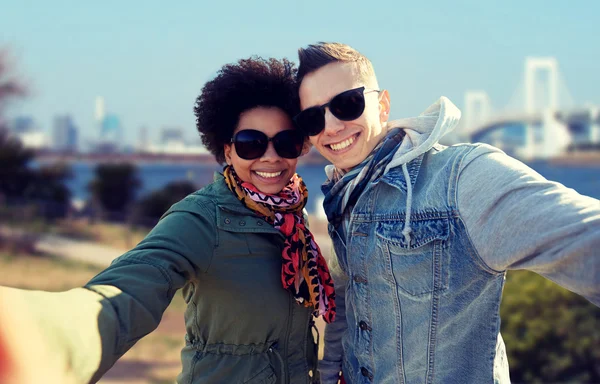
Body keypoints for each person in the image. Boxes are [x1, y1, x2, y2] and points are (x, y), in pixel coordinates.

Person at [0, 56, 336, 384]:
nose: (271, 156)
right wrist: (37, 335)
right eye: (251, 144)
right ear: (228, 150)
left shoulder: (293, 217)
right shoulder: (201, 219)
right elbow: (128, 291)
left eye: (286, 142)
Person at [293, 42, 600, 384]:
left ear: (382, 106)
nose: (331, 126)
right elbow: (347, 300)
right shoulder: (344, 195)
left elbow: (587, 238)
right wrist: (329, 370)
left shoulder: (459, 177)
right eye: (313, 117)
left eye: (347, 104)